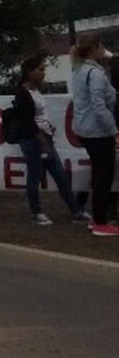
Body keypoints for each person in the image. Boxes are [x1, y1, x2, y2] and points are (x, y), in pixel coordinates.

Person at [12, 56, 90, 226]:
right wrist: (43, 142)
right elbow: (28, 122)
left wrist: (48, 131)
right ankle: (36, 212)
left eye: (43, 69)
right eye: (40, 69)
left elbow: (39, 116)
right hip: (33, 141)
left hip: (44, 138)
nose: (43, 73)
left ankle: (76, 210)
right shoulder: (22, 93)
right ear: (29, 72)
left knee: (60, 176)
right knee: (34, 177)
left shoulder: (36, 91)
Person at [70, 35, 119, 237]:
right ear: (94, 49)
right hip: (98, 131)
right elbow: (99, 106)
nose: (103, 51)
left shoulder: (79, 70)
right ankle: (100, 221)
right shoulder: (95, 74)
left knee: (99, 174)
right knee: (103, 176)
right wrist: (114, 130)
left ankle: (98, 219)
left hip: (85, 129)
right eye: (101, 47)